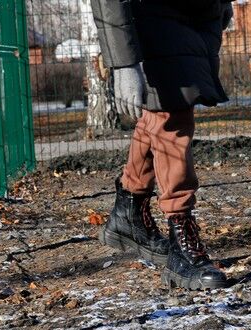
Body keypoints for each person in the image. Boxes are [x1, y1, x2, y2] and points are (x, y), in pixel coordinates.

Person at [91, 0, 234, 289]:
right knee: (172, 114)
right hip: (151, 15)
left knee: (160, 110)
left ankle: (129, 212)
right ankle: (181, 238)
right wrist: (123, 62)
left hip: (197, 17)